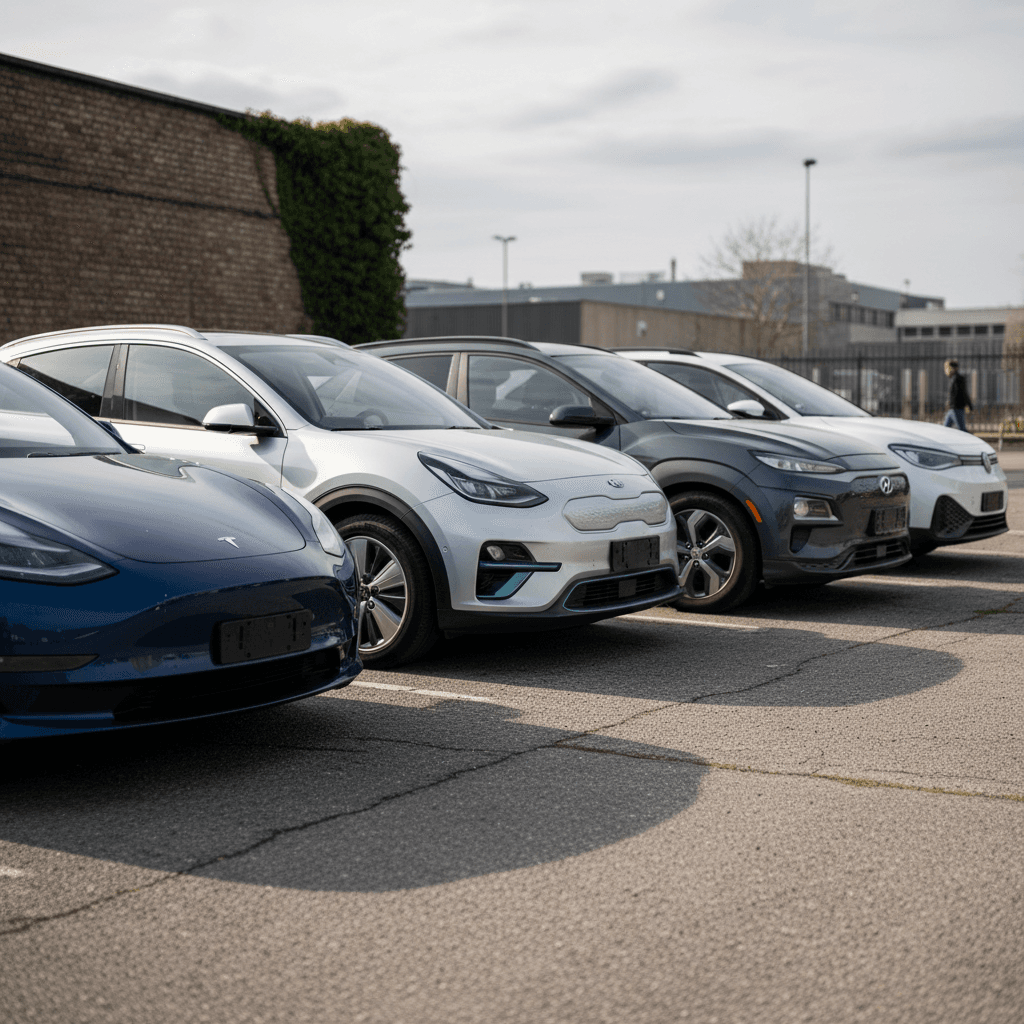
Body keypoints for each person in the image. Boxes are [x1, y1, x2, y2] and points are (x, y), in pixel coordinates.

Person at [943, 359, 972, 431]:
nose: (946, 371)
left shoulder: (958, 379)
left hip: (956, 408)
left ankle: (973, 441)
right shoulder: (954, 378)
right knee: (944, 429)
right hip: (952, 409)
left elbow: (964, 393)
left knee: (962, 430)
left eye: (947, 368)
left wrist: (969, 405)